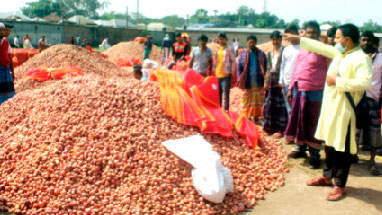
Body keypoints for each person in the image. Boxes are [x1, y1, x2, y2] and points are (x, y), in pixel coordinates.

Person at [284, 23, 372, 201]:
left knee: (342, 149)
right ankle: (327, 176)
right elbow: (322, 47)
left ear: (347, 40)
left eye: (338, 38)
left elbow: (365, 83)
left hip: (344, 111)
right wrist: (300, 40)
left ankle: (340, 185)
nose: (335, 41)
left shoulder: (361, 58)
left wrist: (338, 81)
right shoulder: (340, 53)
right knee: (330, 145)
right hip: (330, 107)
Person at [285, 21, 331, 169]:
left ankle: (315, 154)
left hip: (316, 90)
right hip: (300, 89)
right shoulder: (303, 48)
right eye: (308, 32)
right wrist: (291, 87)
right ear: (304, 33)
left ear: (319, 34)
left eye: (314, 33)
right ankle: (300, 148)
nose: (311, 35)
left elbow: (331, 70)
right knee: (299, 119)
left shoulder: (324, 50)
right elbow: (296, 68)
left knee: (313, 122)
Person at [357, 31, 382, 176]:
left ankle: (372, 161)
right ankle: (352, 156)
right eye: (363, 40)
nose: (366, 43)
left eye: (369, 40)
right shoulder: (356, 57)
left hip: (373, 99)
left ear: (374, 43)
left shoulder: (380, 58)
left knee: (374, 132)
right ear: (360, 41)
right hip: (358, 97)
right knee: (355, 130)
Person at [263, 31, 288, 138]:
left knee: (280, 107)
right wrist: (266, 81)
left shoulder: (284, 52)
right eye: (273, 39)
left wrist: (283, 81)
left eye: (277, 39)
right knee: (269, 105)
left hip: (280, 82)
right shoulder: (269, 53)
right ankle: (269, 127)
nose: (275, 41)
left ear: (281, 40)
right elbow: (268, 68)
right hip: (270, 82)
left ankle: (280, 129)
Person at [237, 35, 267, 123]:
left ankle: (257, 118)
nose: (251, 44)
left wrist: (265, 78)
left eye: (253, 42)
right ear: (247, 43)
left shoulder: (261, 53)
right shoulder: (243, 54)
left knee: (258, 101)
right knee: (247, 101)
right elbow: (239, 67)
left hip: (258, 80)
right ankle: (248, 117)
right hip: (248, 81)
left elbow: (265, 66)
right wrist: (239, 78)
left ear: (256, 43)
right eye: (250, 42)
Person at [280, 24, 300, 116]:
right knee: (289, 109)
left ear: (297, 33)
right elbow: (282, 66)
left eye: (293, 33)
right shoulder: (286, 50)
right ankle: (291, 128)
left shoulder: (303, 48)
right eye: (289, 34)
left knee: (298, 108)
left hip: (299, 83)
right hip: (287, 82)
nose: (291, 36)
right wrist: (281, 80)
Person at [213, 32, 236, 111]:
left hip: (226, 75)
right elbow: (215, 61)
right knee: (218, 94)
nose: (221, 41)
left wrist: (232, 72)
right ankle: (219, 110)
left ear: (226, 39)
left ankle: (226, 111)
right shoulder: (217, 48)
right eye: (220, 39)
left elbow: (233, 61)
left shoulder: (229, 49)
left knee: (226, 95)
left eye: (223, 39)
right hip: (218, 74)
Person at [0, 23, 15, 104]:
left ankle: (6, 106)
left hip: (5, 70)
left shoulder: (6, 42)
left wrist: (12, 72)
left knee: (8, 93)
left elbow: (10, 58)